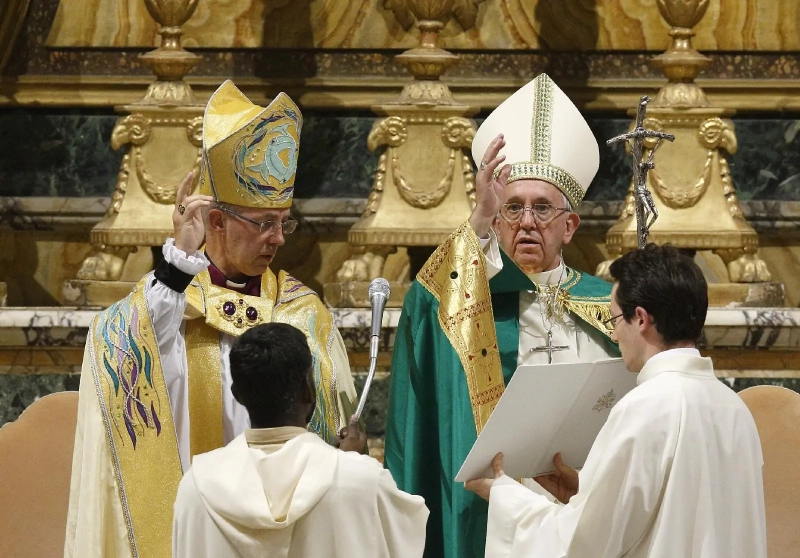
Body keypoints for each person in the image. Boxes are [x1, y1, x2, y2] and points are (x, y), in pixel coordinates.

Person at [65, 81, 364, 558]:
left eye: (283, 221)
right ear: (217, 221)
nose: (278, 238)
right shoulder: (176, 306)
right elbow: (124, 341)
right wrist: (179, 260)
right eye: (263, 222)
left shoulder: (305, 313)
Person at [385, 72, 620, 558]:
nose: (527, 223)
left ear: (570, 225)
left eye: (543, 209)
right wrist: (476, 219)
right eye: (511, 210)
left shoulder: (610, 306)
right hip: (495, 522)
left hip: (587, 515)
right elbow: (425, 308)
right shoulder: (473, 301)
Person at [466, 244, 767, 558]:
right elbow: (684, 516)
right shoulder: (734, 408)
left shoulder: (644, 408)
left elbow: (580, 546)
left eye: (615, 320)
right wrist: (587, 494)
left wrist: (505, 496)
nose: (613, 335)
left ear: (640, 319)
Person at [172, 322, 429, 557]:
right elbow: (407, 535)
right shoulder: (361, 480)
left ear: (237, 395)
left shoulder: (196, 486)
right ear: (308, 390)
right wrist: (350, 462)